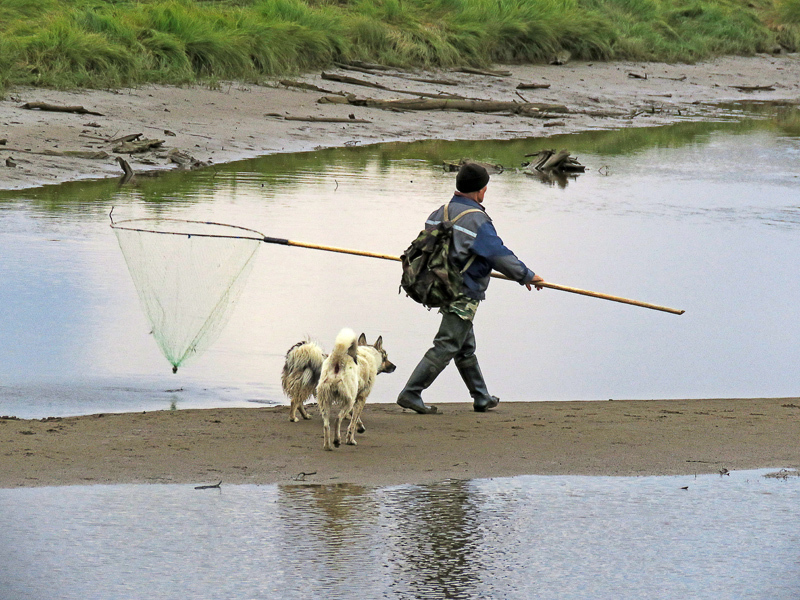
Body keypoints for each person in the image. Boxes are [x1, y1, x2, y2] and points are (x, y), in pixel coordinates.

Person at [397, 162, 544, 414]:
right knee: (447, 344)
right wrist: (527, 276)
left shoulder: (438, 213)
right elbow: (498, 254)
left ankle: (481, 396)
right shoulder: (477, 220)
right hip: (463, 291)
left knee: (464, 345)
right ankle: (411, 392)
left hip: (439, 286)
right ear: (480, 191)